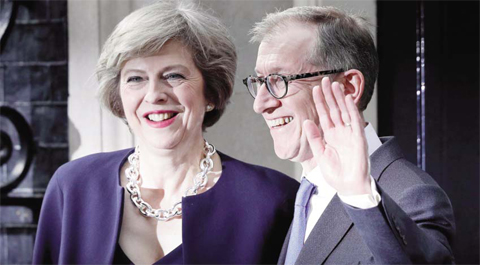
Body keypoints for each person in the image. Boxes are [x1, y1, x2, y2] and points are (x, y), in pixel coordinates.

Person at [32, 1, 299, 264]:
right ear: (119, 96)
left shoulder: (272, 200)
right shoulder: (73, 188)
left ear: (211, 92)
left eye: (173, 76)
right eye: (136, 78)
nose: (154, 95)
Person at [245, 6, 455, 264]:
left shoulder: (411, 194)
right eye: (260, 81)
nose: (261, 104)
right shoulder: (291, 197)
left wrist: (359, 193)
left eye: (278, 80)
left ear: (348, 87)